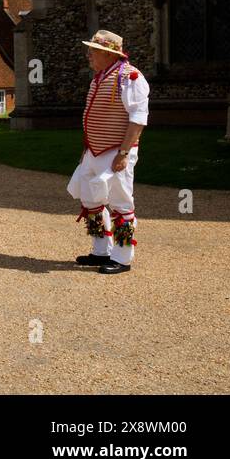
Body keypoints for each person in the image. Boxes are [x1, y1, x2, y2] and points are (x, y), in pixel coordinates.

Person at [68, 30, 149, 276]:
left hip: (116, 150)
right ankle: (101, 250)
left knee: (120, 202)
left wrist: (124, 153)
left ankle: (123, 257)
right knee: (91, 199)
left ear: (107, 53)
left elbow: (138, 119)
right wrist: (87, 150)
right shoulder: (100, 77)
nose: (88, 55)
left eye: (92, 50)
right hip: (94, 149)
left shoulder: (130, 77)